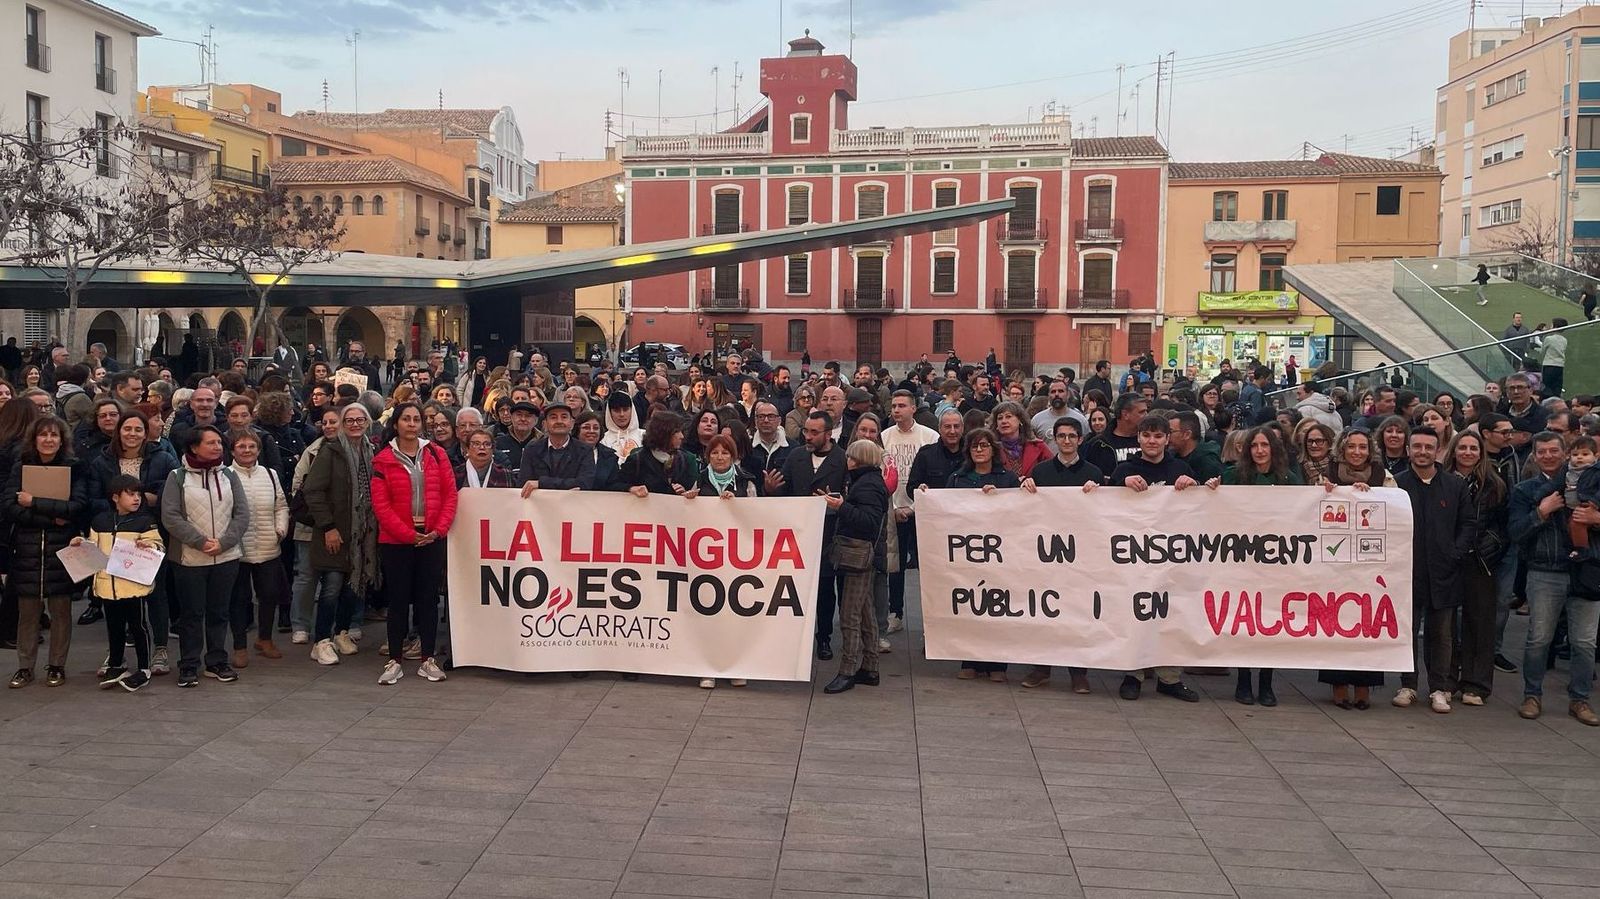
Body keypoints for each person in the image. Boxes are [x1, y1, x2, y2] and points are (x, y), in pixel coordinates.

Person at [1109, 415, 1204, 703]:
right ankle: (1133, 674)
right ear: (1138, 438)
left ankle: (1169, 677)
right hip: (1133, 559)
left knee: (1172, 615)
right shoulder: (1124, 468)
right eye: (1147, 435)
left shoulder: (1180, 468)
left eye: (1158, 436)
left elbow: (1200, 507)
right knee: (1136, 614)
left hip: (1172, 560)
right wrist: (1120, 482)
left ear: (1166, 439)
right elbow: (1103, 503)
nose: (1152, 441)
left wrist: (1194, 483)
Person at [1509, 432, 1600, 724]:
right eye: (1542, 451)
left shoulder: (1593, 484)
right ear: (1534, 456)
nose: (1548, 456)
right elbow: (1516, 533)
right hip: (1544, 572)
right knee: (1539, 639)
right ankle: (1532, 694)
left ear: (1565, 453)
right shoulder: (1525, 490)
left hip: (1587, 571)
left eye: (1553, 451)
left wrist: (1596, 519)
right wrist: (1541, 512)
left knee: (1585, 642)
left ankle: (1580, 699)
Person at [1392, 427, 1476, 714]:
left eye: (1429, 447)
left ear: (1438, 450)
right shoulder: (1396, 485)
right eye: (1417, 447)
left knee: (1442, 635)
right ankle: (1409, 684)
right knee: (1407, 631)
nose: (1423, 452)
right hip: (1407, 572)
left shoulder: (1455, 485)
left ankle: (1439, 688)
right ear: (1408, 450)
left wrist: (1455, 552)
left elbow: (1468, 524)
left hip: (1445, 571)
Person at [372, 402, 458, 685]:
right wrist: (409, 535)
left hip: (431, 538)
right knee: (397, 601)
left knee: (428, 600)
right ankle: (394, 659)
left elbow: (450, 495)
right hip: (397, 541)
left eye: (416, 419)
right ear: (396, 424)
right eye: (406, 419)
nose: (411, 423)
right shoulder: (383, 459)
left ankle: (428, 659)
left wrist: (439, 530)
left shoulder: (436, 453)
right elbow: (381, 506)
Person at [162, 425, 249, 688]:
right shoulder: (177, 477)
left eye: (219, 443)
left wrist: (224, 543)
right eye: (210, 443)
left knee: (219, 612)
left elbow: (242, 514)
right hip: (190, 559)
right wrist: (199, 541)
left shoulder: (229, 475)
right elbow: (170, 516)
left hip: (226, 557)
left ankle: (216, 661)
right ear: (194, 447)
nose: (217, 447)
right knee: (191, 613)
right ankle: (189, 664)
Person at [1020, 416, 1102, 693]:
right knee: (1045, 611)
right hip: (1046, 554)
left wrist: (1100, 492)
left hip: (1082, 557)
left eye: (1072, 436)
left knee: (1078, 614)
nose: (1066, 441)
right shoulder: (1041, 472)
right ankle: (1042, 667)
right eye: (1061, 436)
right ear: (1054, 439)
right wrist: (1025, 490)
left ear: (1080, 439)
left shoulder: (1093, 472)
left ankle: (1078, 671)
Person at [1221, 426, 1301, 706]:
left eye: (1264, 445)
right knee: (1244, 621)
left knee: (1269, 623)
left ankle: (1266, 683)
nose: (1259, 450)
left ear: (1273, 449)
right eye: (1254, 445)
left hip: (1275, 564)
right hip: (1241, 561)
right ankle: (1243, 681)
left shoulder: (1289, 479)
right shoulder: (1234, 477)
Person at [5, 416, 87, 688]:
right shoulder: (21, 467)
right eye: (43, 435)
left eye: (54, 435)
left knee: (61, 611)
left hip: (62, 550)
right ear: (34, 438)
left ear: (62, 440)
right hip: (27, 550)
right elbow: (11, 507)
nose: (49, 440)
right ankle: (25, 666)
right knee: (27, 612)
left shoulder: (74, 467)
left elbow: (76, 507)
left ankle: (56, 665)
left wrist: (35, 503)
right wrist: (52, 517)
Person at [304, 403, 377, 667]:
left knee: (353, 587)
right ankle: (321, 640)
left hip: (361, 536)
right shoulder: (330, 451)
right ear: (343, 424)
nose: (355, 424)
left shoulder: (372, 451)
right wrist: (328, 526)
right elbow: (313, 490)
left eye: (360, 419)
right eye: (350, 420)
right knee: (331, 588)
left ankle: (341, 632)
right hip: (334, 532)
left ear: (368, 422)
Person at [73, 475, 162, 691]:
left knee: (138, 626)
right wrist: (80, 543)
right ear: (115, 497)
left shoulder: (144, 521)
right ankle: (116, 662)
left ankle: (144, 667)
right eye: (130, 494)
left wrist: (148, 546)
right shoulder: (100, 521)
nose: (136, 499)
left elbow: (158, 545)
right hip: (106, 585)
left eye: (139, 494)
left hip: (134, 586)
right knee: (114, 627)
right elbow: (93, 548)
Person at [776, 410, 848, 661]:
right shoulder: (796, 456)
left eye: (814, 432)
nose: (808, 436)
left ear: (828, 434)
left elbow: (848, 496)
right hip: (796, 535)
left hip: (828, 536)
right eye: (806, 431)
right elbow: (783, 491)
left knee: (825, 590)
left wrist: (836, 502)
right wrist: (770, 488)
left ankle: (824, 637)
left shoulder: (841, 459)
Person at [822, 439, 889, 695]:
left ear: (858, 459)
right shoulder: (869, 481)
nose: (846, 461)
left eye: (850, 457)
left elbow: (869, 523)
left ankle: (848, 669)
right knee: (864, 612)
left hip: (858, 556)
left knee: (849, 614)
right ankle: (870, 666)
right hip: (862, 555)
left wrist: (841, 507)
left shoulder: (868, 485)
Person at [1447, 430, 1508, 705]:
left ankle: (1476, 684)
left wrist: (1492, 545)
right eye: (1463, 448)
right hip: (1448, 558)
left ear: (1481, 452)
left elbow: (1504, 523)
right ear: (1454, 451)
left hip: (1481, 558)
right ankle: (1447, 679)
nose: (1468, 453)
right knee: (1446, 624)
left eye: (1474, 448)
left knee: (1480, 622)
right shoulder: (1442, 479)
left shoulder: (1494, 483)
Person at [226, 429, 289, 667]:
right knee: (239, 598)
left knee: (270, 594)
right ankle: (239, 646)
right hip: (237, 549)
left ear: (259, 450)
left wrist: (280, 530)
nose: (247, 450)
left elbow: (280, 505)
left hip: (268, 544)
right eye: (241, 446)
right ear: (233, 450)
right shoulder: (226, 475)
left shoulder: (270, 474)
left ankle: (265, 639)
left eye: (251, 446)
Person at [518, 403, 594, 494]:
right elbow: (524, 484)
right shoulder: (531, 450)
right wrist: (567, 486)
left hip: (573, 505)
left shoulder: (584, 450)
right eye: (553, 417)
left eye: (564, 417)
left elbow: (584, 483)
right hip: (539, 504)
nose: (559, 421)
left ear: (572, 423)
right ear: (544, 424)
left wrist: (541, 483)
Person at [1565, 435, 1600, 559]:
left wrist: (1595, 502)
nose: (1579, 457)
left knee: (1577, 524)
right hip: (1572, 506)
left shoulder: (1596, 470)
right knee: (1571, 526)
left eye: (1585, 454)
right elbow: (1554, 484)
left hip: (1589, 505)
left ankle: (1582, 550)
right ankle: (1577, 549)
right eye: (1575, 454)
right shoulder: (1568, 470)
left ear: (1596, 456)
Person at [1534, 318, 1569, 399]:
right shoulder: (1564, 340)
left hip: (1549, 365)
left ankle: (1547, 402)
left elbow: (1543, 351)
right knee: (1557, 386)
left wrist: (1536, 349)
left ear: (1555, 326)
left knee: (1547, 386)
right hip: (1560, 365)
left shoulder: (1549, 339)